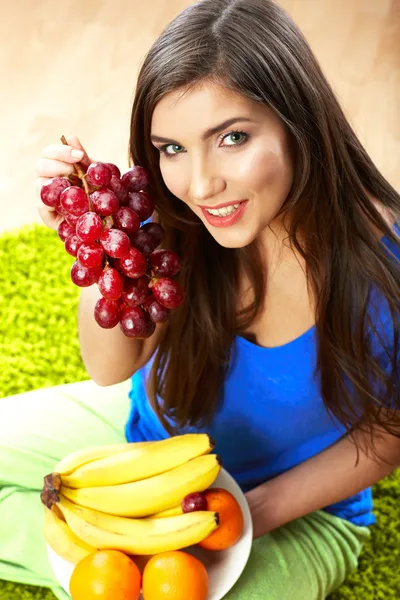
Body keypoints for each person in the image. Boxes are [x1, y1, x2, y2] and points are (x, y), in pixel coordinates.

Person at [1, 0, 399, 598]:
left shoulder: (385, 267)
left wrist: (243, 518)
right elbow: (110, 369)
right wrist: (99, 251)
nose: (201, 185)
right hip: (149, 442)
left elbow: (389, 432)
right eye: (172, 149)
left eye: (232, 137)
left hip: (297, 508)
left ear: (300, 124)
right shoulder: (174, 223)